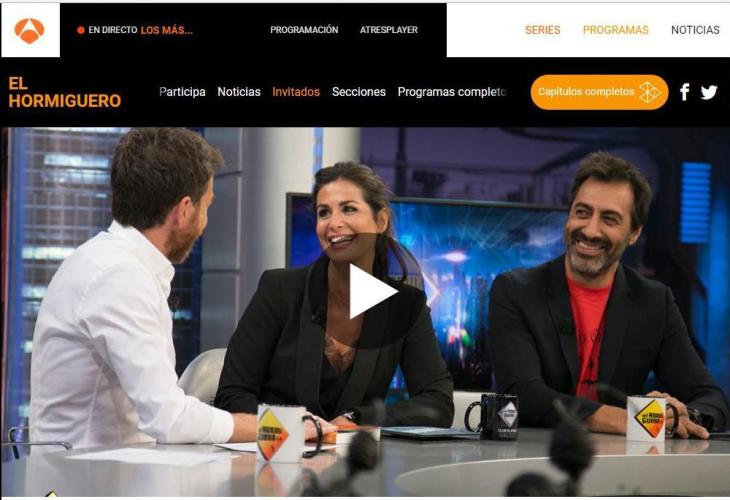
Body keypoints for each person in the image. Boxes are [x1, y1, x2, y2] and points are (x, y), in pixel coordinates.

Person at [29, 128, 332, 452]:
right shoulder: (119, 277)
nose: (205, 222)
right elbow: (168, 418)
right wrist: (283, 428)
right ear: (184, 210)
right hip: (82, 475)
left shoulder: (109, 261)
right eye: (206, 207)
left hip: (114, 466)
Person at [488, 151, 728, 438]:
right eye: (582, 212)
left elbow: (711, 399)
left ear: (634, 233)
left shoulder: (654, 301)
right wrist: (631, 419)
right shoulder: (515, 291)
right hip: (536, 455)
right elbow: (522, 393)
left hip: (620, 460)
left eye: (609, 219)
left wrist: (682, 416)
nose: (590, 230)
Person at [215, 162, 454, 427]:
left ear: (381, 220)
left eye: (349, 209)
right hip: (279, 447)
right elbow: (231, 396)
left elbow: (437, 404)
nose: (334, 224)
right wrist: (296, 426)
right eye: (324, 213)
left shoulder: (406, 306)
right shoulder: (279, 289)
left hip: (356, 452)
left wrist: (358, 418)